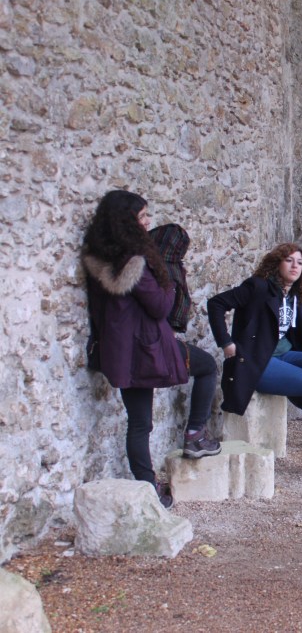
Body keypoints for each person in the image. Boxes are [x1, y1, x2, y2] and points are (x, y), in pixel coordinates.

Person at [82, 190, 220, 509]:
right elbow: (159, 306)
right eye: (142, 216)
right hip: (146, 348)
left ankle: (148, 484)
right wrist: (168, 279)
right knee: (206, 367)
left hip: (118, 349)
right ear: (126, 221)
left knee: (139, 421)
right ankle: (194, 436)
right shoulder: (134, 261)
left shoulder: (98, 255)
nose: (147, 222)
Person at [208, 244, 302, 473]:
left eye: (299, 262)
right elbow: (216, 303)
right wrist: (226, 342)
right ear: (277, 263)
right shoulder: (258, 287)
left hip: (283, 354)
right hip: (257, 361)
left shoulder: (292, 295)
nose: (295, 266)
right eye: (289, 260)